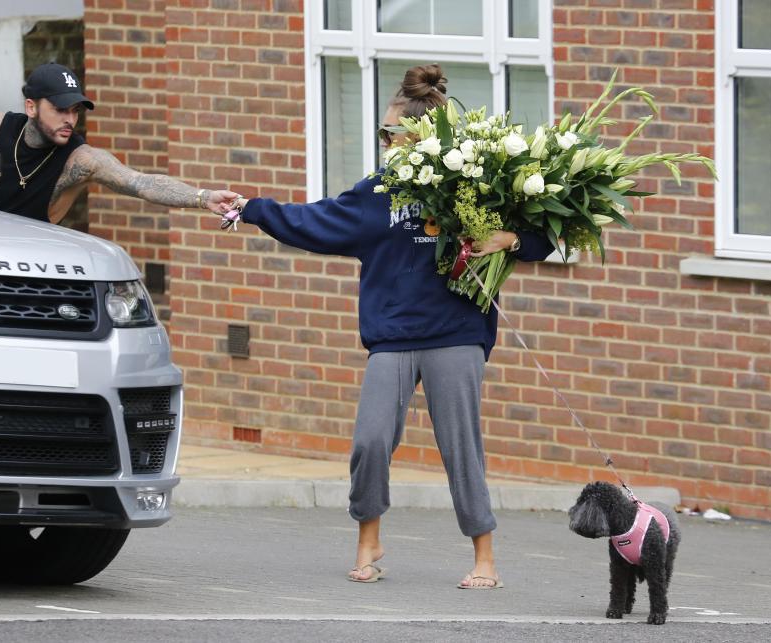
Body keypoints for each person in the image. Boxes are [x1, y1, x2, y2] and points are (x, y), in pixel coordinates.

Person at [224, 64, 554, 588]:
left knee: (461, 449)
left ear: (423, 136)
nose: (382, 142)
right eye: (382, 134)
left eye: (388, 133)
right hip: (393, 338)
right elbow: (315, 221)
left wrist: (507, 239)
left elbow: (544, 239)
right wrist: (253, 209)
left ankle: (484, 557)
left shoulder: (474, 183)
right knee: (371, 441)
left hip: (456, 333)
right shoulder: (376, 193)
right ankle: (368, 539)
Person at [0, 62, 238, 223]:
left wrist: (203, 198)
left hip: (25, 261)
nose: (70, 119)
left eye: (75, 110)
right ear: (31, 107)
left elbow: (140, 183)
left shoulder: (81, 160)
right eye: (60, 109)